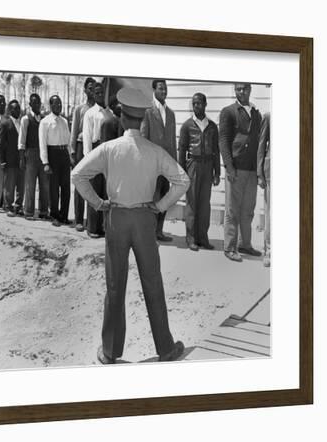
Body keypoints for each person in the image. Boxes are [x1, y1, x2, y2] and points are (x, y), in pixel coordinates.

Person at [72, 87, 189, 365]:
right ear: (144, 120)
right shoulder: (155, 151)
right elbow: (183, 180)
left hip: (116, 219)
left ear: (123, 118)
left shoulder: (110, 149)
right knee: (153, 283)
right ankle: (166, 348)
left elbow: (78, 175)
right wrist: (160, 206)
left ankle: (110, 352)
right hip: (145, 218)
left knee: (115, 285)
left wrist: (99, 203)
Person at [219, 83, 262, 262]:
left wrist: (259, 171)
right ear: (235, 91)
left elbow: (259, 141)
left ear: (250, 90)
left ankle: (245, 244)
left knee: (248, 210)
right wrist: (229, 167)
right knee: (232, 210)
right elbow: (223, 140)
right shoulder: (228, 111)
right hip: (235, 169)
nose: (241, 92)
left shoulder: (256, 113)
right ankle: (229, 247)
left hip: (251, 170)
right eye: (238, 89)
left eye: (244, 88)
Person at [178, 93, 221, 251]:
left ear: (205, 104)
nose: (197, 106)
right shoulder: (187, 125)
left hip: (208, 165)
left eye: (200, 103)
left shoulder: (212, 126)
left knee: (204, 204)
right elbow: (181, 150)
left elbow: (216, 150)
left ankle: (203, 237)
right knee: (192, 202)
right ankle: (191, 238)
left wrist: (217, 173)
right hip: (193, 165)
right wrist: (181, 172)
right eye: (194, 104)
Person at [141, 79, 177, 242]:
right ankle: (148, 232)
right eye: (161, 88)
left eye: (165, 88)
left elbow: (172, 141)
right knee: (152, 198)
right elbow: (143, 137)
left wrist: (174, 165)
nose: (164, 91)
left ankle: (158, 231)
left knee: (163, 199)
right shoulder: (147, 111)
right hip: (152, 165)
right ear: (154, 90)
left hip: (167, 165)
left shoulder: (170, 113)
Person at [82, 82, 112, 238]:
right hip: (95, 151)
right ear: (93, 94)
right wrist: (88, 160)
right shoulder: (90, 113)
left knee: (105, 191)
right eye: (97, 93)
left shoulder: (110, 113)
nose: (100, 95)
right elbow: (87, 137)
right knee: (94, 190)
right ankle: (92, 228)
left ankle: (103, 227)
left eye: (102, 93)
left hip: (108, 154)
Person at [39, 95, 72, 227]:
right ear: (50, 106)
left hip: (64, 154)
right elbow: (42, 143)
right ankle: (55, 215)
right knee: (53, 188)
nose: (59, 106)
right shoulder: (45, 122)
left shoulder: (64, 121)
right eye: (56, 104)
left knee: (66, 187)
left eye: (60, 104)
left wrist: (70, 156)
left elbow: (68, 141)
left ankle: (64, 215)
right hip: (52, 154)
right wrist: (45, 162)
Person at [69, 77, 96, 231]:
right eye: (89, 88)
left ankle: (92, 222)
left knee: (93, 185)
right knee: (80, 183)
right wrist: (72, 152)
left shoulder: (100, 109)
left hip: (94, 149)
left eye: (94, 88)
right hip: (80, 148)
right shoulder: (80, 109)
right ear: (85, 90)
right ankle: (79, 220)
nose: (92, 91)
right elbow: (73, 133)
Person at [19, 93, 50, 220]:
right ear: (30, 104)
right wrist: (22, 158)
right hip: (30, 153)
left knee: (44, 184)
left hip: (43, 153)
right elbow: (21, 140)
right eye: (34, 102)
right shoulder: (25, 119)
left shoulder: (44, 119)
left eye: (38, 102)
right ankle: (29, 211)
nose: (36, 104)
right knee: (30, 184)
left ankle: (43, 211)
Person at [0, 100, 24, 216]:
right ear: (10, 110)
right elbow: (1, 144)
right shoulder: (5, 123)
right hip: (9, 160)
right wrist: (2, 160)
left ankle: (18, 207)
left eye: (18, 108)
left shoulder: (22, 122)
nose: (17, 110)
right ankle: (8, 206)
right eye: (14, 108)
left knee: (21, 185)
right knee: (9, 185)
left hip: (21, 160)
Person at [258, 112, 271, 267]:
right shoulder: (269, 116)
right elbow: (261, 145)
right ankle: (269, 250)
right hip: (272, 171)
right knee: (271, 213)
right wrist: (260, 173)